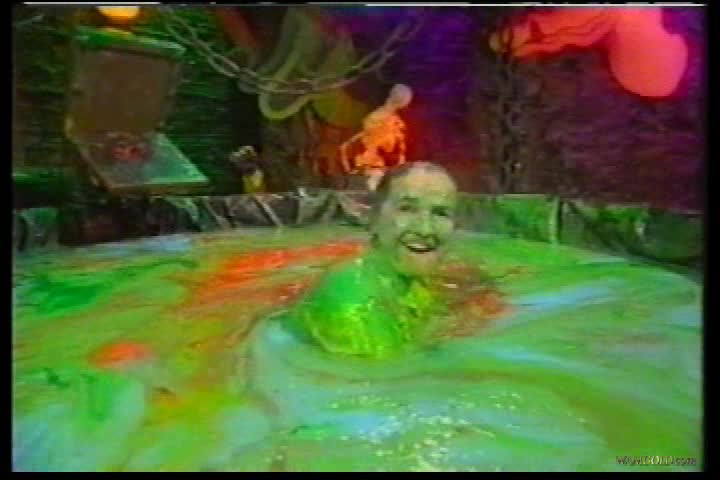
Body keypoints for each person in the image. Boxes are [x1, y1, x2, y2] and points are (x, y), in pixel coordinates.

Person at [284, 162, 459, 359]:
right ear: (372, 218)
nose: (425, 229)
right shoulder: (355, 305)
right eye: (407, 209)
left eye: (440, 213)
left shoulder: (412, 282)